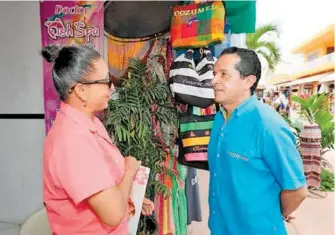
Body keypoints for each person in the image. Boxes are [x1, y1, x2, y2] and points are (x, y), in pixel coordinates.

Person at [41, 45, 154, 235]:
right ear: (81, 90)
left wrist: (129, 197)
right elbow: (112, 214)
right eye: (105, 81)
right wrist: (129, 171)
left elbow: (102, 181)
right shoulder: (73, 141)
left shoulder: (89, 121)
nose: (112, 86)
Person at [208, 47, 307, 235]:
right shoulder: (220, 118)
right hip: (219, 228)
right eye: (214, 74)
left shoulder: (269, 126)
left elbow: (297, 191)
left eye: (224, 75)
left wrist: (273, 215)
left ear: (248, 81)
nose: (213, 81)